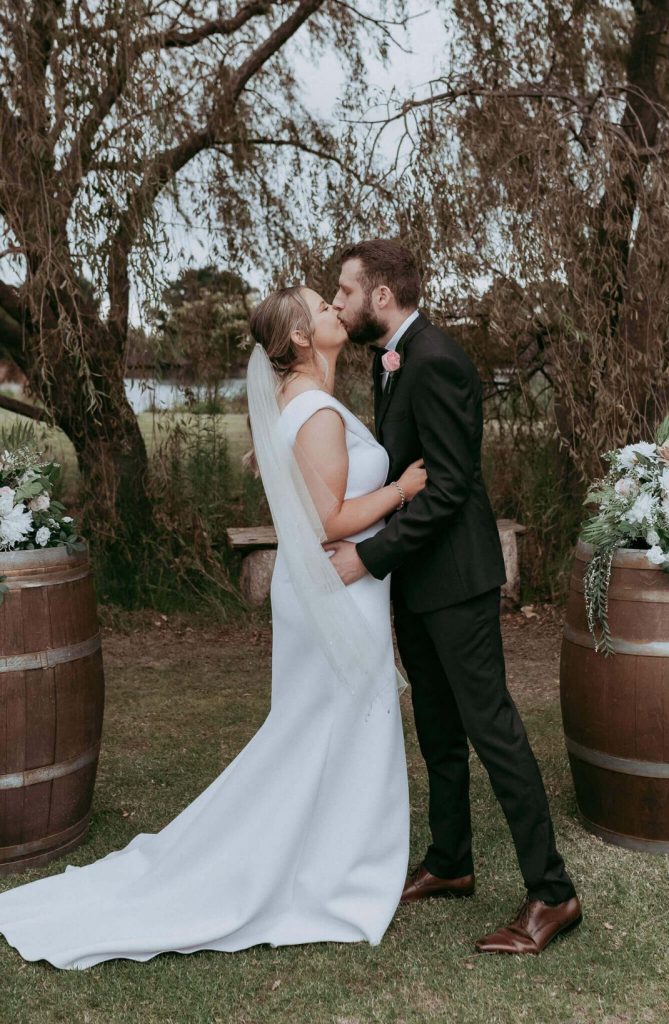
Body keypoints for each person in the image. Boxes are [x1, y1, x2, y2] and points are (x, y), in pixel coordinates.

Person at [0, 285, 427, 970]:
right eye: (320, 308)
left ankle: (338, 857)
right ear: (296, 340)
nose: (332, 313)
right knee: (330, 727)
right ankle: (339, 874)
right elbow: (330, 520)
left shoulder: (302, 404)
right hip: (333, 587)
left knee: (327, 729)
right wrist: (406, 488)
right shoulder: (313, 411)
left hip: (327, 586)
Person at [326, 239, 582, 955]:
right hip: (417, 583)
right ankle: (450, 860)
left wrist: (368, 556)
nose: (338, 304)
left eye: (345, 292)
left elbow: (447, 487)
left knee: (492, 730)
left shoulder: (435, 359)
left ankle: (554, 894)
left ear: (381, 295)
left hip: (456, 583)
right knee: (437, 730)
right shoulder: (392, 359)